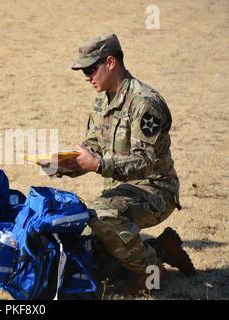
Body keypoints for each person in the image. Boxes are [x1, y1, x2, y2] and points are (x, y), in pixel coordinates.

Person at [50, 34, 195, 295]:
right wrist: (65, 165)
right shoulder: (102, 100)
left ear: (111, 62)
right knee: (99, 263)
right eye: (84, 71)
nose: (86, 76)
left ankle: (151, 270)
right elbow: (92, 148)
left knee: (101, 215)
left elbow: (143, 162)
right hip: (122, 193)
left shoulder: (144, 103)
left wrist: (98, 165)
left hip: (155, 189)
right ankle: (163, 248)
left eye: (90, 69)